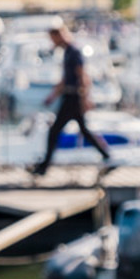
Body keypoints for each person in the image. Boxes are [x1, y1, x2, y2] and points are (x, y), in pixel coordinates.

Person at [30, 20, 112, 177]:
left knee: (55, 132)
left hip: (74, 97)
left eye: (52, 38)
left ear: (59, 35)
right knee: (83, 130)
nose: (51, 42)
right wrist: (53, 95)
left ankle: (43, 167)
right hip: (69, 96)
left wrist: (85, 98)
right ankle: (107, 156)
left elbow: (82, 76)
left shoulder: (73, 52)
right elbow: (65, 79)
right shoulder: (67, 52)